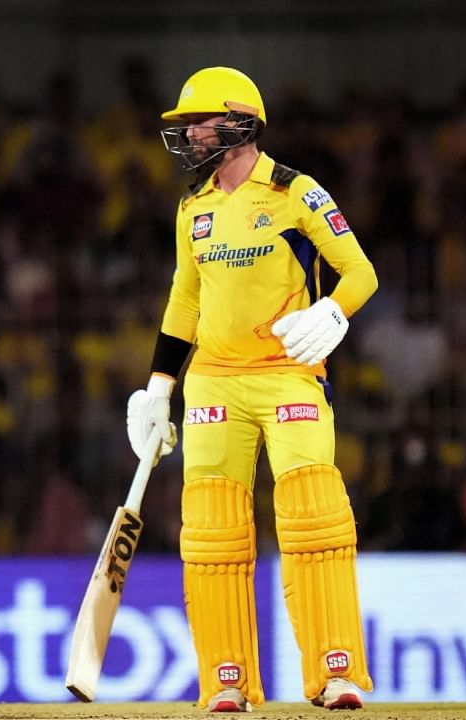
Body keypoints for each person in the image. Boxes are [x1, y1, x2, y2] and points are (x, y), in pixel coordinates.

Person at [125, 67, 378, 712]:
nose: (186, 132)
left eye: (198, 121)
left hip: (287, 374)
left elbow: (360, 272)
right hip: (212, 382)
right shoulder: (193, 206)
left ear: (239, 122)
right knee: (212, 530)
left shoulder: (298, 193)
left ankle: (335, 674)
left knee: (315, 515)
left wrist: (333, 313)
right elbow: (186, 298)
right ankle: (227, 682)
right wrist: (158, 387)